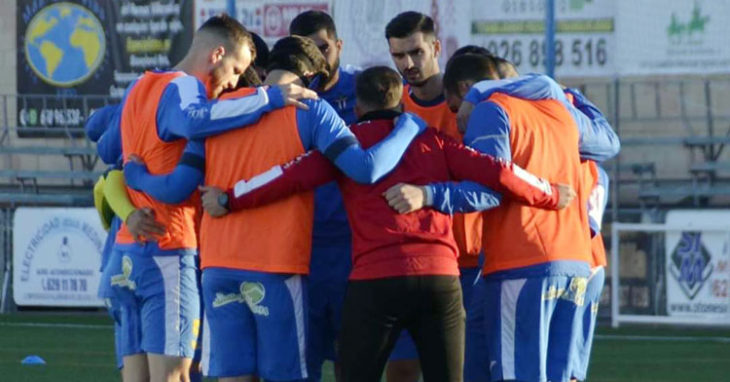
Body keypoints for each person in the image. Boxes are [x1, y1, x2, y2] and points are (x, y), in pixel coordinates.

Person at [197, 66, 576, 382]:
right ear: (400, 102)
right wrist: (550, 193)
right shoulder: (435, 141)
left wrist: (230, 197)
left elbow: (286, 176)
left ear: (358, 105)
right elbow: (498, 172)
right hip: (439, 280)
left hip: (375, 281)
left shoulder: (349, 145)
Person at [122, 36, 427, 382]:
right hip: (274, 266)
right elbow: (365, 169)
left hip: (218, 268)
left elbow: (178, 187)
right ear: (311, 77)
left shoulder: (221, 107)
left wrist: (136, 175)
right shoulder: (311, 110)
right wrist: (408, 127)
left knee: (233, 376)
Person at [105, 15, 319, 382]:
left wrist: (133, 180)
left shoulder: (140, 84)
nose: (235, 82)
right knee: (174, 377)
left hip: (128, 252)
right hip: (168, 250)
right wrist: (268, 97)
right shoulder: (187, 88)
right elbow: (194, 121)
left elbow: (106, 143)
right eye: (236, 69)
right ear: (218, 53)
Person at [438, 54, 619, 382]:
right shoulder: (561, 112)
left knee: (517, 374)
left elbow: (491, 187)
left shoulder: (491, 110)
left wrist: (428, 196)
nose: (458, 120)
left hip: (522, 260)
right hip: (577, 262)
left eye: (454, 108)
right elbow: (609, 144)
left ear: (468, 88)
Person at [383, 14, 494, 380]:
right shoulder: (393, 106)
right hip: (413, 259)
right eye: (399, 56)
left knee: (463, 370)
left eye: (415, 52)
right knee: (400, 370)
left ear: (435, 47)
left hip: (470, 258)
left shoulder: (473, 105)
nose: (408, 64)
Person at [289, 10, 361, 381]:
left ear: (339, 45)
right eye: (306, 53)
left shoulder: (365, 88)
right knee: (304, 360)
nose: (316, 61)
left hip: (355, 245)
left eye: (323, 49)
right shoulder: (282, 99)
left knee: (354, 357)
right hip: (298, 248)